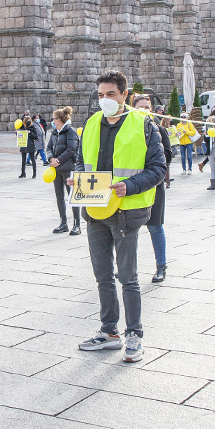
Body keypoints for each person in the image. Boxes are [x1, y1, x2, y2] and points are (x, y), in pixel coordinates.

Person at [71, 71, 167, 363]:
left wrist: (131, 185)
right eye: (100, 95)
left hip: (127, 210)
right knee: (103, 277)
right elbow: (80, 160)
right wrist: (75, 178)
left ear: (125, 95)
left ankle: (135, 334)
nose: (105, 100)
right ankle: (109, 332)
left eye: (110, 94)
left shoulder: (144, 124)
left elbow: (158, 168)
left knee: (128, 278)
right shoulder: (90, 124)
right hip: (95, 208)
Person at [134, 95, 171, 283]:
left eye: (147, 107)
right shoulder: (129, 131)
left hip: (154, 187)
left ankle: (161, 266)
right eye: (140, 107)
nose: (144, 110)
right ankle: (127, 265)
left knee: (155, 227)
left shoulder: (159, 129)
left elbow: (168, 157)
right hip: (132, 187)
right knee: (129, 228)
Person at [48, 106, 81, 235]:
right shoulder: (54, 132)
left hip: (68, 168)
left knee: (72, 196)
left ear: (59, 119)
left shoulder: (70, 132)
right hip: (55, 169)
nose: (52, 121)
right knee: (59, 196)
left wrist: (59, 160)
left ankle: (77, 225)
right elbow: (49, 147)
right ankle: (63, 223)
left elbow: (71, 149)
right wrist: (51, 158)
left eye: (54, 118)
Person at [18, 114, 39, 179]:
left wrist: (30, 133)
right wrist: (17, 133)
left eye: (29, 120)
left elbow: (36, 137)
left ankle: (34, 173)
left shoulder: (33, 127)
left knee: (32, 159)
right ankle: (23, 173)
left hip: (30, 145)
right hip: (23, 144)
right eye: (27, 120)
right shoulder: (22, 127)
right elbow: (19, 136)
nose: (28, 122)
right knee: (23, 160)